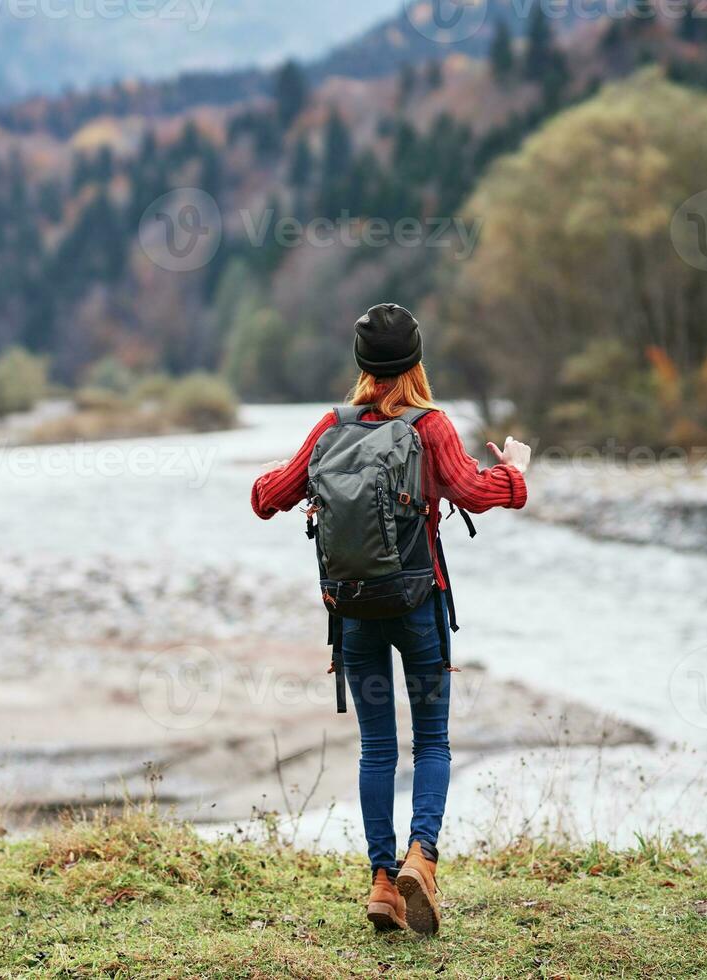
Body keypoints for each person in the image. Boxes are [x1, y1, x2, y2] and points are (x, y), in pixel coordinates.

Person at [250, 303, 531, 935]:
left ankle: (382, 884)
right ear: (416, 361)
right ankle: (420, 858)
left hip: (353, 609)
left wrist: (283, 482)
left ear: (362, 366)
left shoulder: (331, 426)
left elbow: (268, 498)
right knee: (430, 740)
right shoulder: (430, 427)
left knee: (377, 748)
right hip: (417, 604)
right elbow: (476, 492)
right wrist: (515, 472)